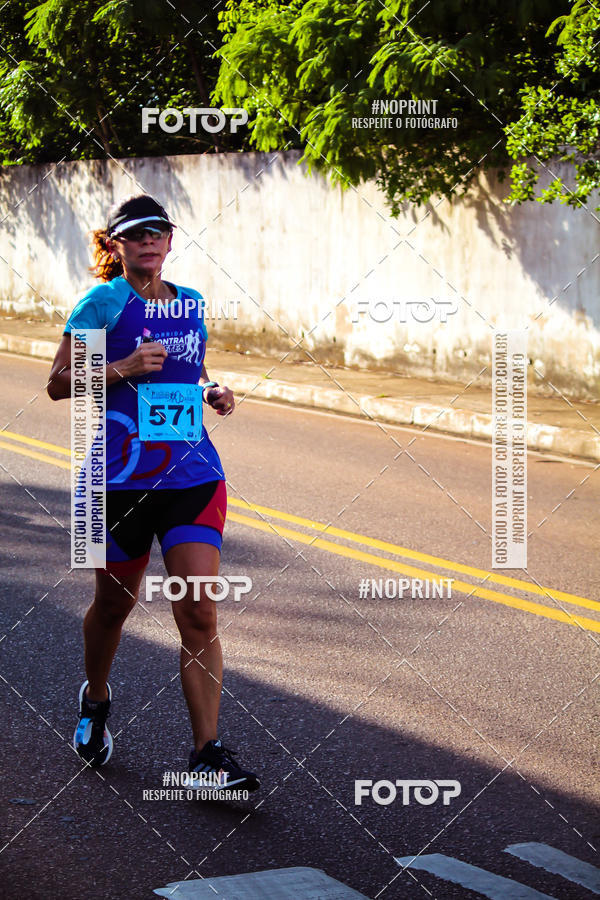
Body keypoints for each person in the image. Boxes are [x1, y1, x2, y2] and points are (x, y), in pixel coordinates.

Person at [47, 194, 259, 792]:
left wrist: (213, 389)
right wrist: (121, 368)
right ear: (115, 246)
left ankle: (206, 757)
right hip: (115, 482)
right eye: (134, 234)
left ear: (170, 241)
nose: (148, 241)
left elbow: (187, 372)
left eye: (158, 232)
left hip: (192, 475)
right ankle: (95, 696)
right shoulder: (103, 303)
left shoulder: (190, 304)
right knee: (115, 606)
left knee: (197, 609)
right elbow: (59, 384)